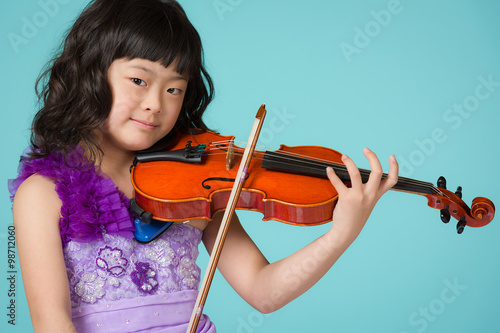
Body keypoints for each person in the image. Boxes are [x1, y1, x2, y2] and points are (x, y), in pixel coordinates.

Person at [9, 0, 399, 332]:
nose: (156, 104)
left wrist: (342, 233)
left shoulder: (196, 185)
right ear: (92, 73)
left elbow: (263, 292)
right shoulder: (42, 195)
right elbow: (51, 324)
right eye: (138, 80)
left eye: (174, 88)